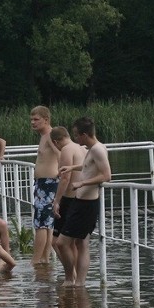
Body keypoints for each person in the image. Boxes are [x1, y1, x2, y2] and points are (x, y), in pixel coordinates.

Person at [57, 117, 112, 287]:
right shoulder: (93, 149)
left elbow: (107, 175)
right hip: (81, 202)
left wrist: (81, 183)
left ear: (85, 134)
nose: (75, 139)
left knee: (62, 243)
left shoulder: (98, 150)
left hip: (87, 204)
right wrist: (73, 168)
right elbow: (89, 167)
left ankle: (72, 280)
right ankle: (77, 282)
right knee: (81, 243)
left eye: (76, 135)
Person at [50, 126, 87, 284]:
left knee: (57, 242)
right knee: (75, 243)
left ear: (56, 141)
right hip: (82, 198)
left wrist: (57, 200)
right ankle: (77, 279)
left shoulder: (66, 149)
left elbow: (65, 178)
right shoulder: (82, 149)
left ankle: (70, 277)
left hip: (69, 198)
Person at [30, 106, 60, 265]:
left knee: (41, 224)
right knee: (46, 224)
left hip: (49, 183)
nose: (32, 122)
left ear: (46, 120)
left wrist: (61, 172)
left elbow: (61, 154)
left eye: (36, 119)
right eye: (31, 119)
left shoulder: (50, 135)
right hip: (43, 183)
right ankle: (44, 259)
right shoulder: (44, 136)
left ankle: (35, 260)